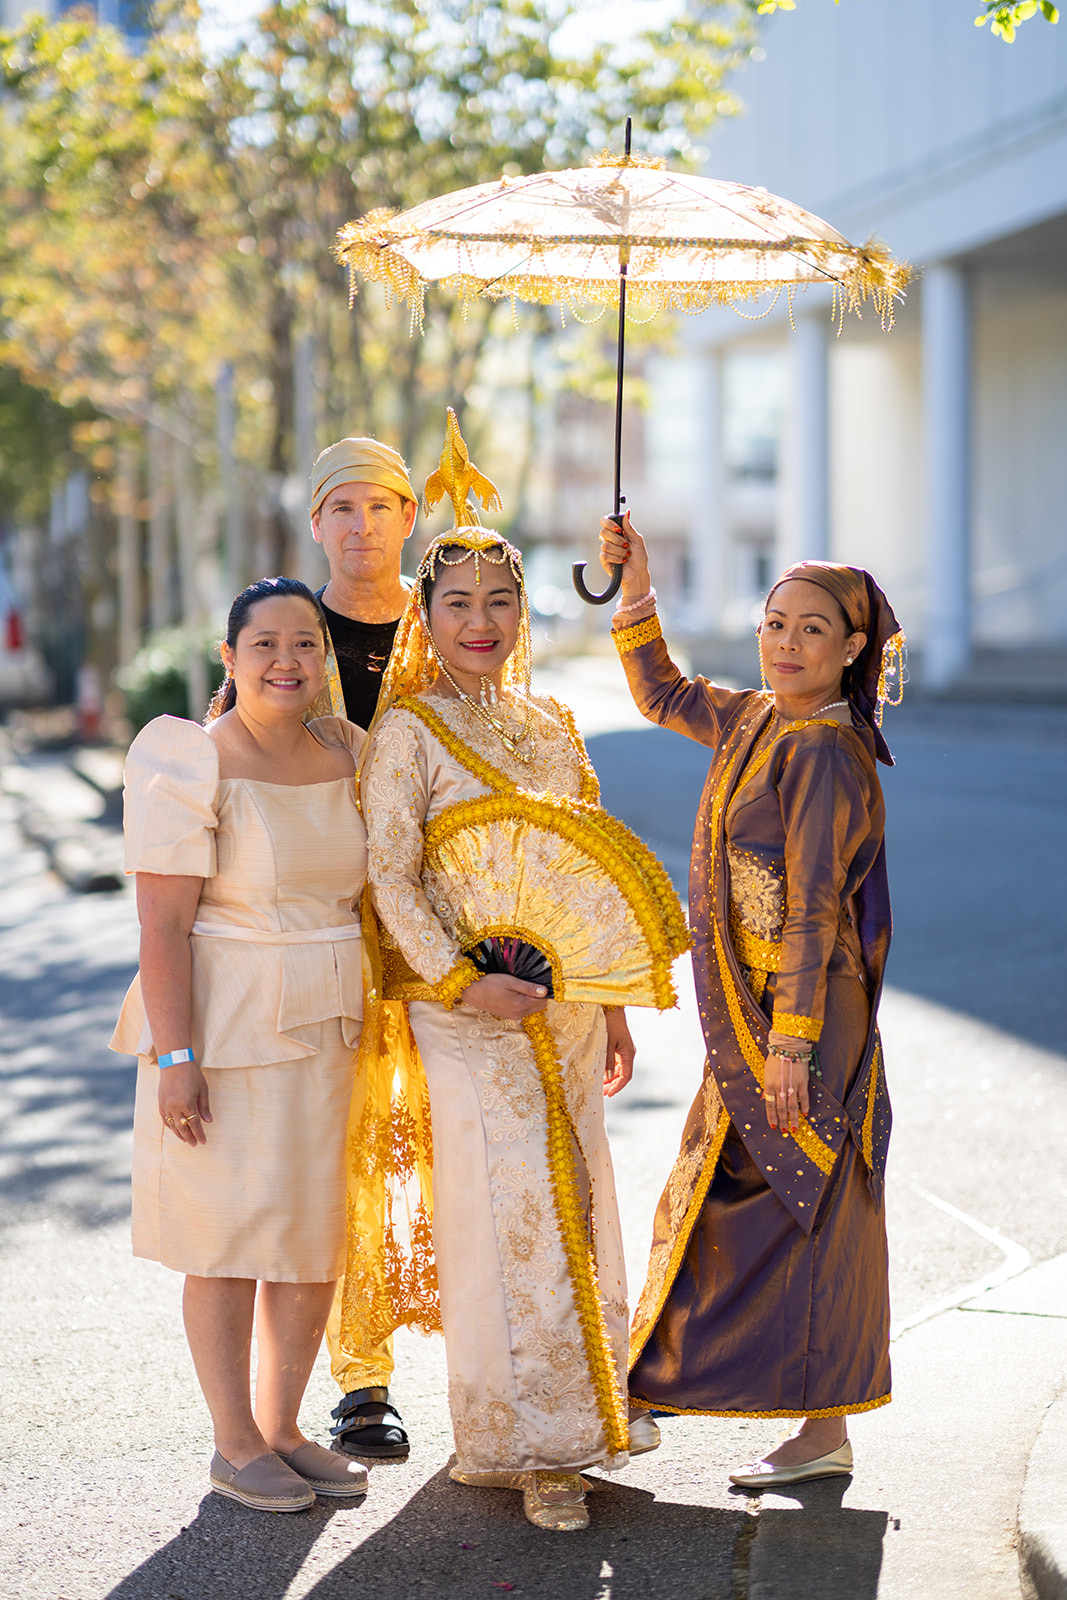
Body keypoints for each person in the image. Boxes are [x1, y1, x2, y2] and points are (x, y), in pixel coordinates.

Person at [354, 427, 689, 1528]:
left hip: (564, 1006)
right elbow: (391, 874)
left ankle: (588, 1409)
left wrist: (608, 997)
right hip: (468, 1011)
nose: (481, 623)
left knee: (583, 1198)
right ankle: (524, 1443)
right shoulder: (407, 725)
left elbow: (583, 867)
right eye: (457, 604)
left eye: (500, 601)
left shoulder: (549, 719)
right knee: (507, 1215)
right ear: (425, 616)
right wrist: (458, 981)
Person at [599, 514, 905, 1489]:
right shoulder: (757, 717)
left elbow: (813, 906)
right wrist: (635, 588)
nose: (784, 641)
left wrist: (790, 1044)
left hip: (798, 1015)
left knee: (789, 1197)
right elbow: (660, 691)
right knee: (756, 1195)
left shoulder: (820, 749)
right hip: (765, 1013)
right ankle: (672, 1398)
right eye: (774, 621)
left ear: (851, 647)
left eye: (810, 628)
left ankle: (691, 1404)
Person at [111, 577, 371, 1513]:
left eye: (306, 643)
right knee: (222, 1239)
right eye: (265, 644)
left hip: (333, 1020)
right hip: (223, 1025)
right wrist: (177, 1059)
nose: (288, 660)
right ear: (231, 657)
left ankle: (283, 1427)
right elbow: (161, 928)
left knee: (309, 1239)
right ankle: (232, 1443)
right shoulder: (190, 759)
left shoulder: (348, 749)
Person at [307, 435, 419, 1460]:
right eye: (342, 507)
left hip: (443, 934)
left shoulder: (455, 624)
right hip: (331, 930)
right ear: (316, 526)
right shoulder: (292, 638)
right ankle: (362, 1377)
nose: (361, 525)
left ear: (407, 520)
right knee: (354, 1158)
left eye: (380, 506)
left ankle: (505, 1358)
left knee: (469, 1147)